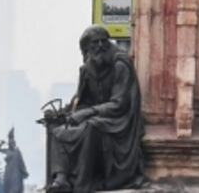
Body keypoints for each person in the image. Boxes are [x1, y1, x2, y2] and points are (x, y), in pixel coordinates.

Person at [47, 26, 144, 192]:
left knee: (91, 126)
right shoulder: (87, 69)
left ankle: (83, 184)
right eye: (95, 42)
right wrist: (65, 113)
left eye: (103, 41)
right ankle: (61, 178)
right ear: (87, 49)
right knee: (58, 130)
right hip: (98, 117)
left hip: (119, 121)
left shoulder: (120, 65)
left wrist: (87, 113)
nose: (100, 45)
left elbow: (119, 104)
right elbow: (81, 101)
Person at [0, 128, 28, 193]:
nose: (12, 144)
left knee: (16, 186)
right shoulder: (7, 150)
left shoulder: (17, 151)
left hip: (16, 171)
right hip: (9, 171)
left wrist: (23, 170)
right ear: (9, 144)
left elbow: (21, 161)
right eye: (11, 143)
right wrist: (1, 143)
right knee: (8, 185)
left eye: (13, 143)